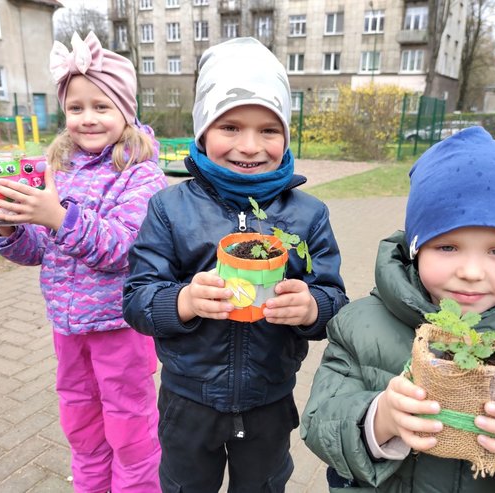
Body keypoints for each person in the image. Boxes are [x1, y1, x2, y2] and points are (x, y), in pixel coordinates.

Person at [301, 126, 495, 492]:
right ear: (416, 249)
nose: (471, 272)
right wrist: (379, 420)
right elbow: (318, 422)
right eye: (447, 247)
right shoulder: (359, 328)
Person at [122, 37, 349, 493]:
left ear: (286, 134)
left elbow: (334, 298)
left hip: (269, 397)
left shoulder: (307, 214)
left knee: (264, 485)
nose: (250, 146)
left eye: (269, 129)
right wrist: (183, 300)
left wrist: (312, 309)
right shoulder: (169, 208)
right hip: (189, 400)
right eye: (230, 127)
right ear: (203, 130)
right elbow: (137, 298)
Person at [0, 31, 167, 493]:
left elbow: (125, 249)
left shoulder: (141, 175)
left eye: (101, 106)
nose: (87, 119)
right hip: (68, 326)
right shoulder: (59, 168)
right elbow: (38, 249)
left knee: (129, 427)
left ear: (126, 111)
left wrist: (57, 215)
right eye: (76, 108)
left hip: (120, 326)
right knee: (80, 422)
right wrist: (8, 225)